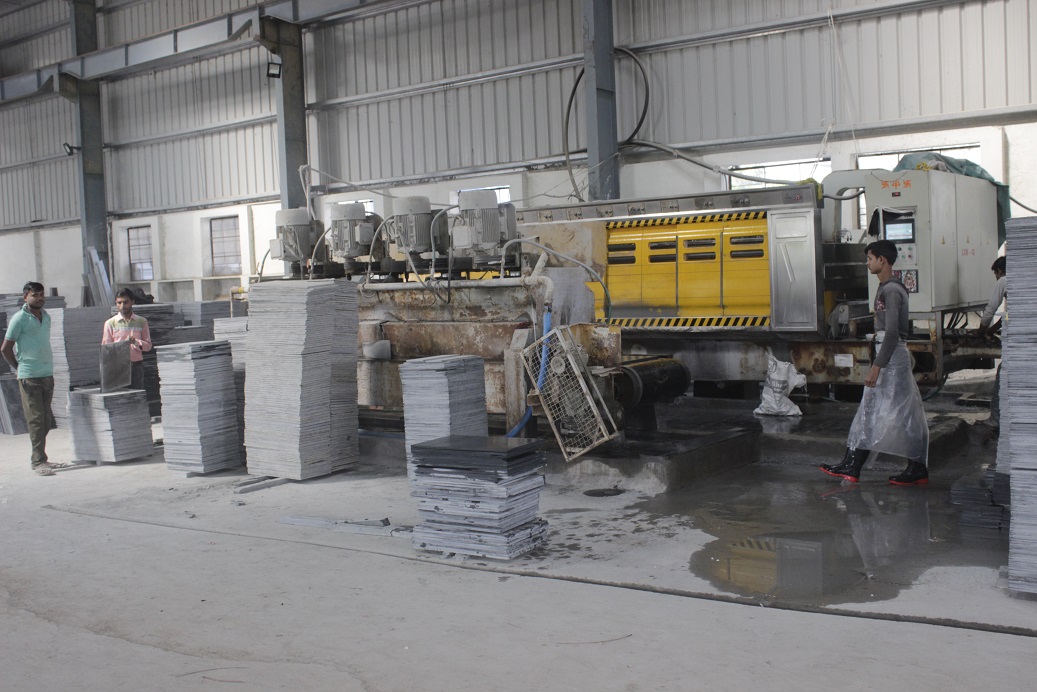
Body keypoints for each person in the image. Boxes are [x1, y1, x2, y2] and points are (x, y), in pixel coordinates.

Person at [820, 240, 930, 486]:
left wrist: (877, 366)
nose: (867, 263)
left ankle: (915, 467)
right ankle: (853, 464)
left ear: (883, 260)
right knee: (874, 410)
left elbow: (892, 333)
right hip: (889, 354)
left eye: (870, 258)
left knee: (900, 413)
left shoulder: (891, 290)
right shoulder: (886, 288)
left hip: (892, 357)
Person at [1, 281, 61, 476]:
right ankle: (38, 461)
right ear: (25, 296)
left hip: (46, 374)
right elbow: (5, 349)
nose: (40, 298)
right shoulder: (19, 319)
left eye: (42, 294)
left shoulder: (46, 317)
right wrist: (19, 367)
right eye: (35, 295)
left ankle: (42, 457)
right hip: (30, 376)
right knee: (36, 420)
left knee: (46, 420)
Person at [974, 256, 1006, 429]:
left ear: (999, 271)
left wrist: (981, 329)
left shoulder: (1003, 281)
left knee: (1003, 375)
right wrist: (991, 330)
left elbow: (990, 309)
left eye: (995, 274)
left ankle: (996, 420)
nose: (996, 277)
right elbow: (1009, 314)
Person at [102, 288, 153, 391]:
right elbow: (106, 348)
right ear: (116, 303)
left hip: (136, 367)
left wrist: (135, 342)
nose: (122, 306)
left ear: (132, 302)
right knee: (120, 396)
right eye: (119, 303)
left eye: (125, 302)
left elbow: (148, 346)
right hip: (118, 367)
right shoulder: (110, 323)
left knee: (137, 395)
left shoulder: (141, 321)